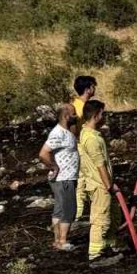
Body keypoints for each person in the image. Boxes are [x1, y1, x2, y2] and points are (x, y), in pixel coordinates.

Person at [76, 100, 118, 264]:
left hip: (104, 184)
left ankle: (109, 245)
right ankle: (95, 255)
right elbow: (99, 164)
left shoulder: (91, 134)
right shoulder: (91, 139)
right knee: (100, 220)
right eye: (103, 113)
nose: (105, 117)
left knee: (114, 216)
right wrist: (108, 185)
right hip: (100, 186)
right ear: (95, 116)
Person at [38, 107, 79, 251]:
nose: (76, 115)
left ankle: (57, 240)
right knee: (68, 209)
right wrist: (54, 166)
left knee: (60, 209)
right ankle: (62, 241)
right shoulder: (58, 133)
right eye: (74, 113)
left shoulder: (67, 132)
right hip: (64, 178)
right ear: (66, 116)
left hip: (66, 177)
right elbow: (43, 153)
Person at [70, 76, 97, 220]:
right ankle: (78, 213)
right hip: (81, 148)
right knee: (83, 180)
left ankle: (81, 211)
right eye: (93, 86)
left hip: (82, 147)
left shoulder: (76, 104)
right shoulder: (79, 108)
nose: (95, 89)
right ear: (88, 89)